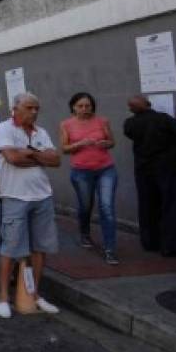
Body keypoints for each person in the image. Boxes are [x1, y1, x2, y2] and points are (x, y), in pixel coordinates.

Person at [0, 92, 61, 319]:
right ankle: (3, 297)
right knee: (10, 248)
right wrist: (39, 155)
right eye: (30, 108)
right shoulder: (3, 129)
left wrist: (30, 153)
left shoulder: (41, 132)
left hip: (42, 196)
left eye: (36, 108)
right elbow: (13, 158)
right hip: (15, 196)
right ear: (16, 108)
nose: (34, 112)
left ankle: (34, 294)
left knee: (39, 249)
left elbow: (56, 160)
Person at [123, 95, 176, 257]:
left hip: (143, 170)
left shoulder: (129, 124)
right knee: (171, 205)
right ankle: (172, 246)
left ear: (131, 109)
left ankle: (150, 242)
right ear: (149, 104)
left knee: (147, 205)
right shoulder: (164, 119)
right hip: (169, 168)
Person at [60, 92, 120, 264]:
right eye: (80, 106)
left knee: (106, 207)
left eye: (88, 106)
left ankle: (110, 249)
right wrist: (79, 144)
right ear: (73, 107)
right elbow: (64, 148)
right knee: (86, 206)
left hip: (105, 169)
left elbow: (112, 142)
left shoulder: (102, 121)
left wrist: (105, 143)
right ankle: (84, 233)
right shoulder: (66, 124)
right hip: (81, 171)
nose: (84, 109)